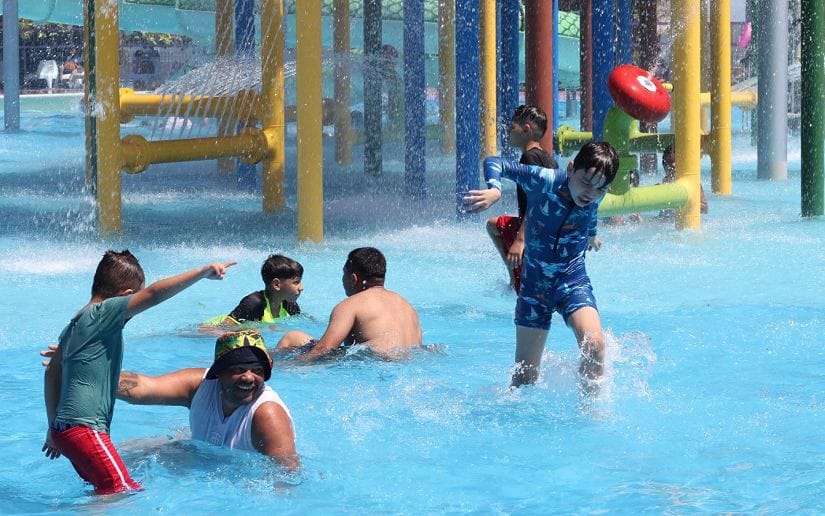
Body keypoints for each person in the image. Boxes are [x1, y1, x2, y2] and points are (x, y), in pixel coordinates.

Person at [43, 250, 235, 495]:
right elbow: (154, 294)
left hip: (66, 431)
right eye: (133, 303)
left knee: (106, 493)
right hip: (85, 430)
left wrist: (53, 428)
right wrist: (203, 271)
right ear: (125, 296)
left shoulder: (73, 324)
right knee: (122, 493)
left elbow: (52, 374)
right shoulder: (104, 311)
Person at [463, 142, 620, 390]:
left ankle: (590, 409)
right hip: (535, 288)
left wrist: (591, 235)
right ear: (571, 168)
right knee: (524, 380)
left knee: (595, 345)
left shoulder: (592, 196)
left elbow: (591, 212)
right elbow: (495, 162)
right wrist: (495, 189)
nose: (591, 193)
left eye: (600, 188)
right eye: (586, 182)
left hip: (572, 281)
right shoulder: (545, 179)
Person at [116, 330, 298, 470]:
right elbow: (144, 389)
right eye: (239, 369)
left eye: (257, 370)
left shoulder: (267, 415)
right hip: (199, 456)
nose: (249, 377)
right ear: (219, 372)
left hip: (237, 479)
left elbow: (286, 475)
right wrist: (101, 378)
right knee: (128, 454)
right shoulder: (199, 387)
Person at [276, 247, 422, 360]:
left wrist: (286, 367)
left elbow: (323, 350)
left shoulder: (350, 305)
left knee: (292, 337)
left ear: (353, 279)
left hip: (374, 365)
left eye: (343, 274)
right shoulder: (407, 306)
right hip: (408, 364)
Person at [486, 105, 558, 293]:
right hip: (548, 228)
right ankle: (515, 276)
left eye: (512, 127)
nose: (508, 132)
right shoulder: (548, 158)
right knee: (494, 225)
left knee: (493, 226)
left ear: (526, 129)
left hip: (533, 229)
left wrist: (520, 240)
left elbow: (538, 201)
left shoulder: (529, 158)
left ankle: (514, 277)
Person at [202, 254, 303, 329]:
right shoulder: (254, 303)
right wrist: (264, 328)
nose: (301, 288)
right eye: (296, 282)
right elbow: (222, 330)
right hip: (209, 328)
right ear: (277, 285)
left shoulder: (290, 305)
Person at [659, 144, 708, 217]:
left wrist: (682, 202)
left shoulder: (692, 182)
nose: (671, 167)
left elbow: (705, 208)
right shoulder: (666, 180)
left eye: (674, 163)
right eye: (667, 163)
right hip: (667, 219)